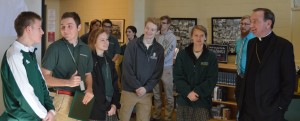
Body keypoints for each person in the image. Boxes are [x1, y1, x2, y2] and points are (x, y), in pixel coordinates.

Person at [235, 8, 296, 121]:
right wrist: (239, 99)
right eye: (251, 21)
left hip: (270, 111)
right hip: (247, 109)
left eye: (255, 21)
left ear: (268, 23)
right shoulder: (251, 44)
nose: (251, 25)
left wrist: (280, 107)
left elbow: (289, 81)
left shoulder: (283, 46)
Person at [0, 11, 55, 121]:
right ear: (29, 29)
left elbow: (42, 84)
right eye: (39, 28)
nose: (43, 32)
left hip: (38, 117)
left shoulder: (29, 53)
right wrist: (45, 115)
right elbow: (24, 94)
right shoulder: (15, 55)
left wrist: (51, 109)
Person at [41, 12, 94, 121]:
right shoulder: (54, 48)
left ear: (79, 27)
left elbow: (88, 74)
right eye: (62, 27)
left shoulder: (86, 49)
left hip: (81, 100)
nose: (65, 30)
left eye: (70, 26)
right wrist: (68, 82)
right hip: (62, 99)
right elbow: (43, 78)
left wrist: (89, 89)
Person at [119, 17, 164, 121]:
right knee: (123, 118)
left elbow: (157, 73)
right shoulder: (132, 45)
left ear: (157, 32)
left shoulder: (159, 50)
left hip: (146, 93)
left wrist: (145, 88)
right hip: (129, 91)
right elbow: (126, 68)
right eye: (147, 28)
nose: (149, 31)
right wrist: (137, 86)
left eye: (153, 29)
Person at [173, 25, 218, 121]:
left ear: (205, 37)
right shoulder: (182, 55)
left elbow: (211, 79)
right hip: (184, 100)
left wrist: (197, 92)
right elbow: (178, 77)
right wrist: (188, 92)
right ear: (191, 37)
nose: (199, 38)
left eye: (202, 35)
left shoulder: (211, 57)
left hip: (202, 102)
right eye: (196, 35)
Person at [88, 28, 121, 121]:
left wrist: (114, 104)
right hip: (97, 108)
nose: (106, 42)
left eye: (107, 39)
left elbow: (115, 83)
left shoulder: (109, 59)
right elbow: (95, 87)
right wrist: (108, 106)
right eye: (102, 40)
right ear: (94, 42)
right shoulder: (90, 60)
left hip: (111, 105)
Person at [152, 15, 177, 121]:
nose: (162, 25)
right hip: (155, 69)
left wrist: (155, 57)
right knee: (156, 94)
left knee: (168, 96)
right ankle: (157, 116)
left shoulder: (172, 37)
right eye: (160, 23)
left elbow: (167, 53)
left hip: (166, 69)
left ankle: (168, 117)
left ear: (169, 24)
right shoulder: (156, 36)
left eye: (164, 23)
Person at [234, 15, 255, 119]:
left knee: (248, 104)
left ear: (251, 25)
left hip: (250, 77)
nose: (243, 26)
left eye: (246, 24)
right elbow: (238, 56)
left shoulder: (255, 41)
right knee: (239, 100)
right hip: (239, 76)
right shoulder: (238, 41)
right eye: (241, 24)